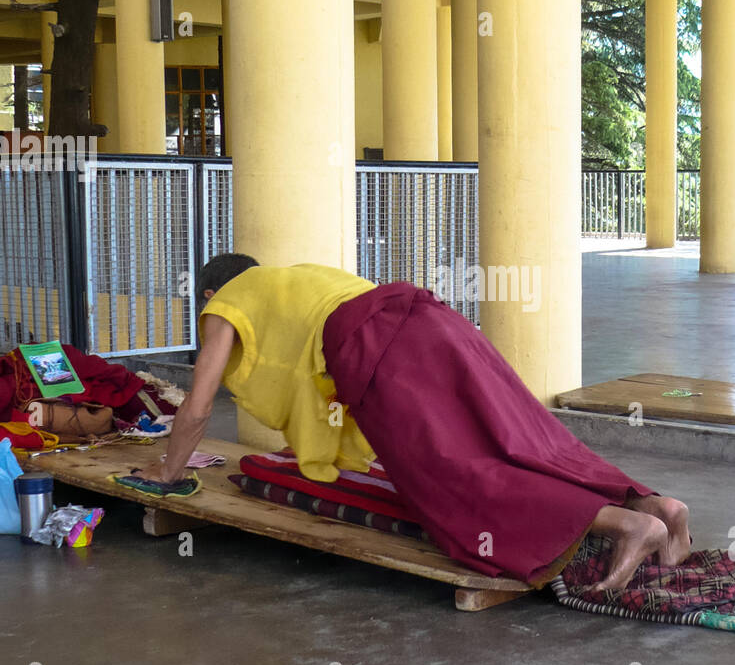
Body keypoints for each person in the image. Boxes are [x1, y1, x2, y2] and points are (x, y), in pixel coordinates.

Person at [133, 254, 692, 594]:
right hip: (430, 317)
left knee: (455, 473)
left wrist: (167, 471)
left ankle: (621, 526)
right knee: (523, 436)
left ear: (211, 292)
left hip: (383, 352)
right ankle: (654, 505)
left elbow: (199, 404)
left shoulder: (225, 303)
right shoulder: (294, 279)